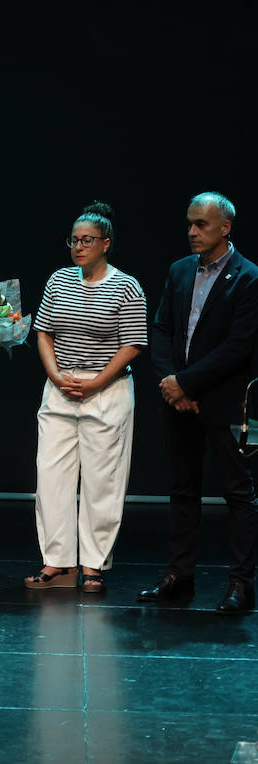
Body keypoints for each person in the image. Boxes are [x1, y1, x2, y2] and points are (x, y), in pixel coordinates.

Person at [141, 192, 258, 614]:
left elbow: (238, 346)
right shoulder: (179, 271)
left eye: (201, 224)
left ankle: (241, 584)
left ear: (225, 228)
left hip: (225, 402)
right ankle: (179, 575)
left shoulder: (248, 277)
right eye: (189, 223)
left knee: (238, 493)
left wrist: (186, 383)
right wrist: (171, 382)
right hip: (178, 400)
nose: (192, 232)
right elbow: (161, 330)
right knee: (183, 489)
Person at [25, 202, 147, 593]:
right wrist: (54, 373)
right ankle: (57, 561)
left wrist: (95, 383)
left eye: (87, 240)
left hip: (105, 390)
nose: (79, 247)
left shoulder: (126, 285)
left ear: (106, 244)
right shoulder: (59, 280)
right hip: (61, 387)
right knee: (52, 477)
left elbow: (132, 344)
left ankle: (93, 564)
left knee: (101, 482)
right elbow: (43, 331)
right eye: (74, 240)